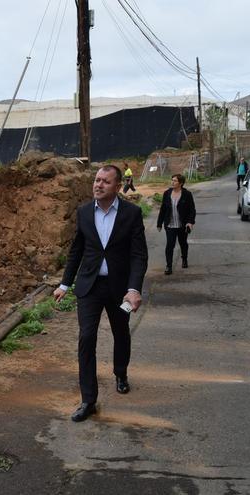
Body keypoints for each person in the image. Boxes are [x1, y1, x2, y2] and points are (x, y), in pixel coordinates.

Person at [53, 165, 149, 422]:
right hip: (90, 286)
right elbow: (77, 250)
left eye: (105, 182)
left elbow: (139, 255)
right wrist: (65, 284)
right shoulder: (84, 212)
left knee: (121, 333)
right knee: (86, 337)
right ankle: (88, 400)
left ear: (118, 187)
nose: (98, 185)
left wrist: (134, 289)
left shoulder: (132, 214)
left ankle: (121, 373)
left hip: (120, 289)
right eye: (97, 180)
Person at [155, 174, 196, 275]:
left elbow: (192, 210)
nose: (172, 182)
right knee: (169, 245)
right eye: (172, 180)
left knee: (183, 243)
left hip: (182, 225)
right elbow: (163, 209)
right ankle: (169, 266)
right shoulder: (167, 193)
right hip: (170, 225)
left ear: (181, 183)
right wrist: (159, 223)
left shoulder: (187, 194)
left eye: (175, 181)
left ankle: (184, 259)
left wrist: (190, 222)